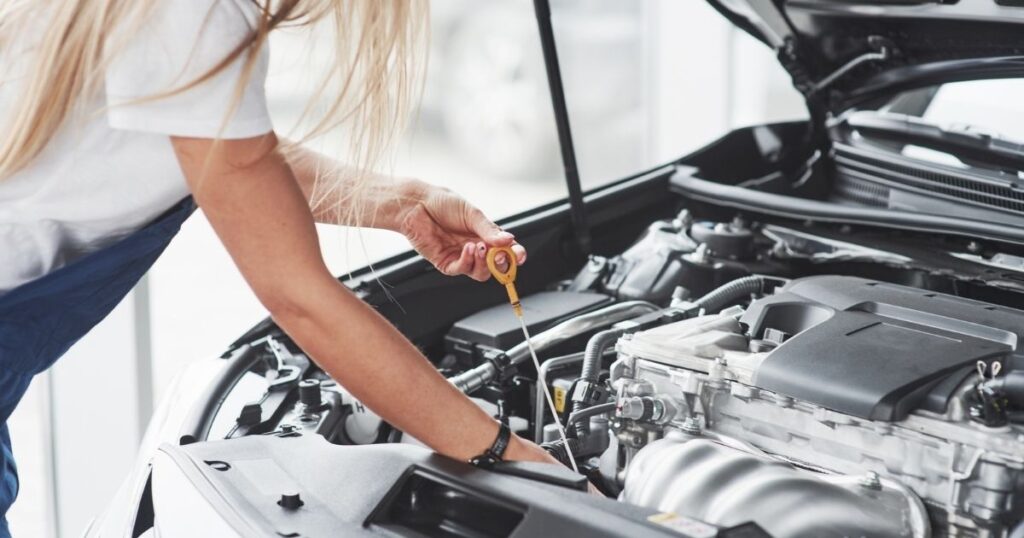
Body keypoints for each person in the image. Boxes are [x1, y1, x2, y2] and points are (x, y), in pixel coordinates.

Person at [0, 0, 558, 532]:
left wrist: (404, 204)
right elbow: (301, 299)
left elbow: (223, 153)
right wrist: (507, 455)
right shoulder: (197, 15)